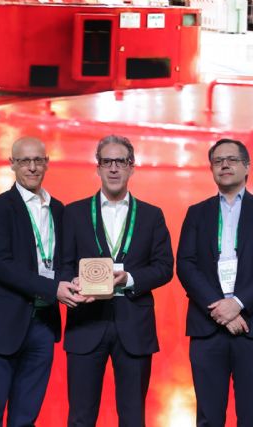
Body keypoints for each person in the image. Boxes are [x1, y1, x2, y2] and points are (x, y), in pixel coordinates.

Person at [60, 135, 174, 427]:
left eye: (120, 162)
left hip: (134, 326)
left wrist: (130, 279)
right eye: (107, 161)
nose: (113, 168)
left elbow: (164, 267)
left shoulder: (151, 215)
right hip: (86, 324)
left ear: (131, 167)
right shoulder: (73, 213)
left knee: (133, 418)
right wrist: (73, 282)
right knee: (81, 418)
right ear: (97, 167)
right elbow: (63, 264)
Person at [0, 137, 80, 426]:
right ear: (12, 164)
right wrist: (53, 288)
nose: (32, 167)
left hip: (43, 324)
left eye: (38, 160)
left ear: (47, 163)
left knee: (26, 417)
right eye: (24, 161)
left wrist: (68, 283)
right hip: (2, 324)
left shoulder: (59, 209)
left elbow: (66, 260)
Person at [176, 138, 253, 427]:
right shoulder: (196, 212)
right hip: (207, 325)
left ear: (247, 167)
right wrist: (220, 309)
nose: (224, 165)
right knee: (209, 416)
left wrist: (237, 304)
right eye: (218, 161)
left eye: (232, 160)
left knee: (251, 415)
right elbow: (185, 265)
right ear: (211, 169)